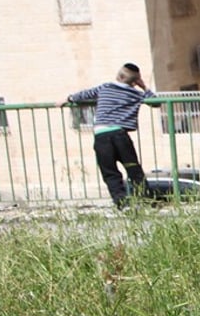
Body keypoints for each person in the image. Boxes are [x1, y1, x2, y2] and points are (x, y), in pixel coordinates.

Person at [62, 63, 155, 209]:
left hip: (101, 136)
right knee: (133, 169)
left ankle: (122, 204)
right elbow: (155, 102)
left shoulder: (105, 88)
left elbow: (83, 95)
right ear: (135, 81)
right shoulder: (136, 94)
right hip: (120, 135)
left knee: (110, 172)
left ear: (119, 75)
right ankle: (147, 201)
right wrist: (144, 87)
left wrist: (69, 98)